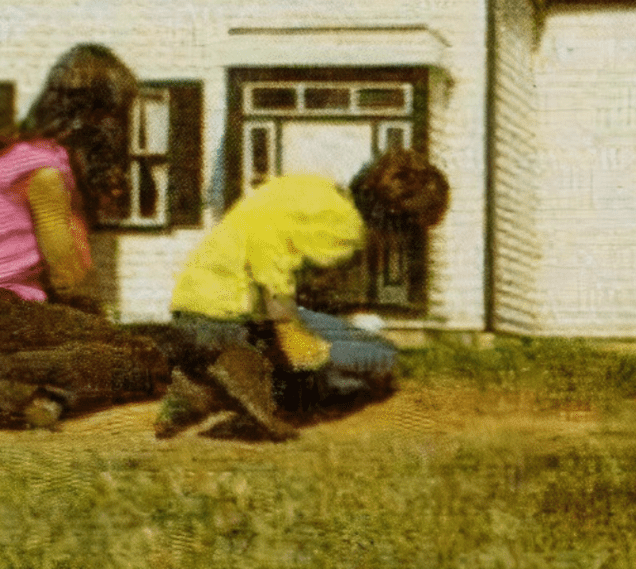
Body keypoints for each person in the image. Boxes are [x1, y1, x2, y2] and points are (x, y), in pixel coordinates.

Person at [0, 44, 170, 430]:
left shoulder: (11, 155)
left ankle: (11, 391)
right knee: (144, 356)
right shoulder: (46, 173)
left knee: (98, 344)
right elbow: (68, 277)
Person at [154, 149, 450, 442]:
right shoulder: (346, 230)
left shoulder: (315, 188)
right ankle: (260, 389)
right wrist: (285, 324)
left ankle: (208, 385)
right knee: (378, 358)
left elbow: (263, 236)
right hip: (235, 319)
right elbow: (268, 248)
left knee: (366, 346)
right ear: (397, 222)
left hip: (190, 313)